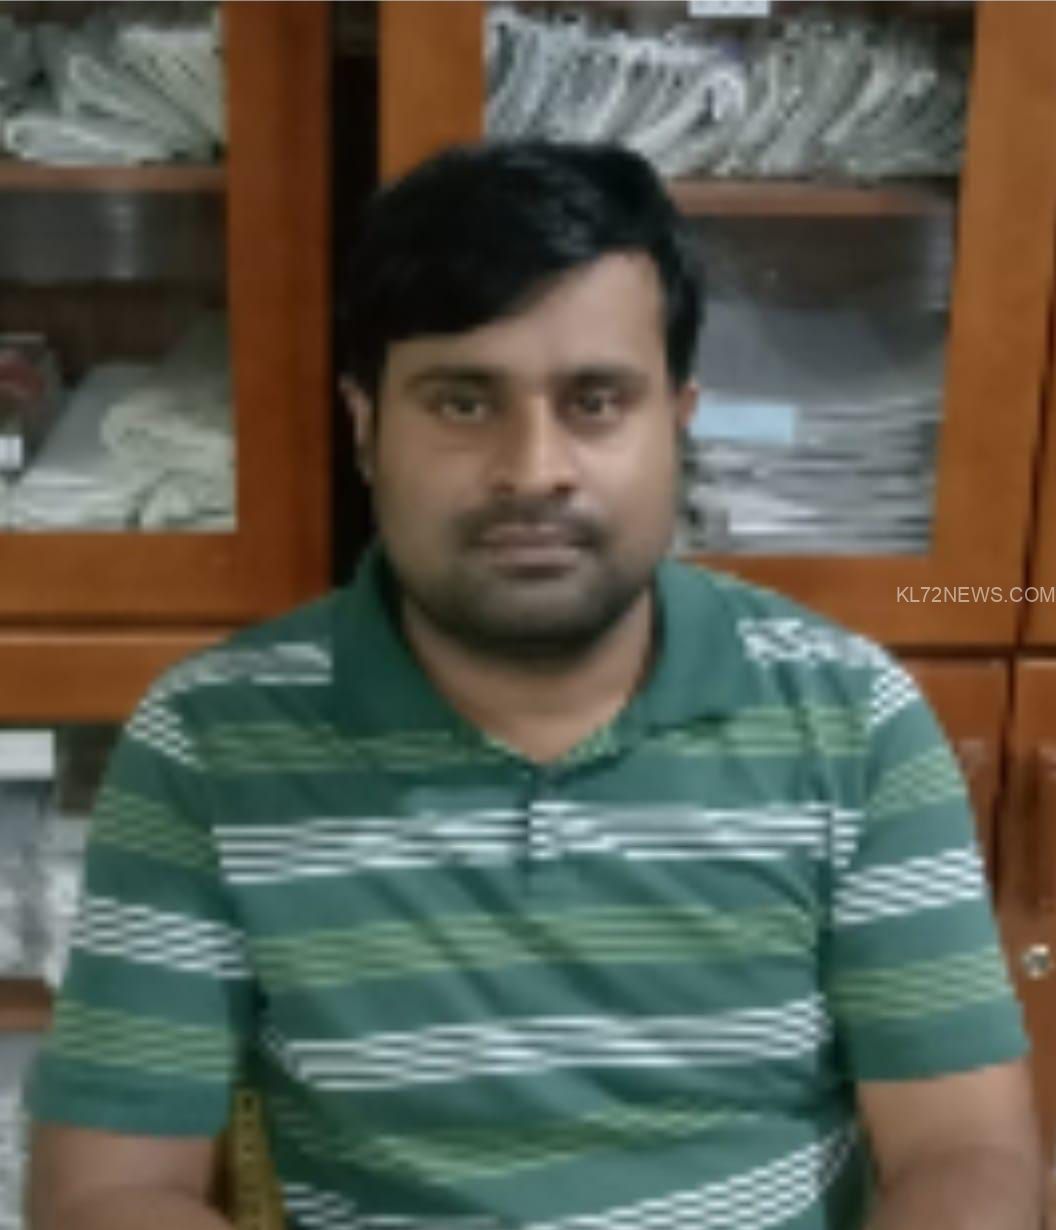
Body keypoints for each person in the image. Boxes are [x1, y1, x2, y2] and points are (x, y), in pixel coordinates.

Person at [27, 140, 1042, 1230]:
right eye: (463, 403)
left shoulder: (853, 719)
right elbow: (109, 1191)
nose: (533, 470)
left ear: (678, 423)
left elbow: (967, 1152)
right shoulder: (209, 741)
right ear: (367, 428)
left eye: (595, 401)